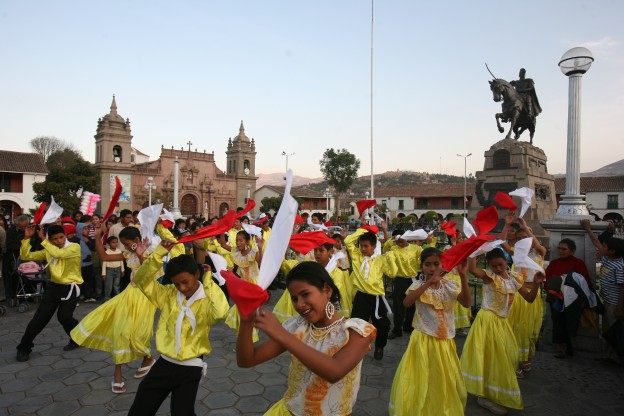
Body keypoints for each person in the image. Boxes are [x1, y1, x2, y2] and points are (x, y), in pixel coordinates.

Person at [236, 261, 376, 415]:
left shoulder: (357, 331)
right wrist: (246, 321)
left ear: (327, 290)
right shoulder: (297, 327)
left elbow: (335, 371)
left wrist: (282, 335)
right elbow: (247, 360)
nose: (300, 304)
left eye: (305, 294)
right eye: (295, 299)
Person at [73, 224, 185, 394]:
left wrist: (140, 255)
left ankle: (147, 358)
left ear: (137, 240)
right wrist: (97, 236)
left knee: (138, 333)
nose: (124, 247)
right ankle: (119, 374)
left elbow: (148, 275)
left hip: (146, 298)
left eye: (126, 243)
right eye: (123, 244)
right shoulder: (127, 254)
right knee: (120, 330)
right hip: (128, 296)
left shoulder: (152, 254)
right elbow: (103, 256)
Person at [127, 242, 229, 415]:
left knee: (182, 412)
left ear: (196, 274)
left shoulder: (207, 298)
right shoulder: (167, 294)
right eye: (176, 284)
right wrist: (158, 253)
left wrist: (208, 280)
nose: (182, 288)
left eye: (185, 282)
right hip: (165, 363)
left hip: (190, 366)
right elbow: (140, 280)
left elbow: (220, 313)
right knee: (140, 409)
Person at [462, 249, 545, 414]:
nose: (498, 268)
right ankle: (484, 395)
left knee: (508, 357)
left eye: (500, 264)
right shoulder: (489, 277)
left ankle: (493, 390)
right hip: (487, 320)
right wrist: (475, 250)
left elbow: (529, 299)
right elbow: (473, 270)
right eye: (494, 266)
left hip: (502, 322)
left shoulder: (514, 278)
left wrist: (536, 283)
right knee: (491, 358)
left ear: (507, 262)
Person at [389, 248, 470, 415]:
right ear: (421, 267)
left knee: (442, 378)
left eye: (436, 264)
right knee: (421, 377)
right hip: (423, 339)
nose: (432, 268)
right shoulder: (418, 285)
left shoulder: (449, 285)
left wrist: (463, 275)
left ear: (442, 265)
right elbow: (407, 303)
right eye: (427, 265)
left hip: (445, 340)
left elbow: (467, 303)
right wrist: (428, 282)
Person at [16, 224, 83, 361]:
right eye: (55, 239)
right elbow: (25, 255)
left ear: (65, 236)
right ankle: (24, 348)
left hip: (71, 287)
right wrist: (27, 238)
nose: (59, 241)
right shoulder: (49, 250)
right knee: (39, 320)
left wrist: (43, 240)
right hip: (53, 288)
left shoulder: (74, 247)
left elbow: (59, 254)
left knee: (64, 317)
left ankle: (77, 338)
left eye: (61, 237)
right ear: (50, 239)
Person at [344, 221, 395, 360]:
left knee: (384, 326)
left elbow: (392, 273)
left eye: (366, 246)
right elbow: (348, 241)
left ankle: (380, 346)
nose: (363, 249)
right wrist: (363, 230)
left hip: (377, 298)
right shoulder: (357, 257)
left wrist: (390, 257)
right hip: (361, 296)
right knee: (356, 325)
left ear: (374, 246)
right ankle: (355, 348)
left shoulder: (380, 260)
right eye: (361, 246)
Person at [504, 216, 547, 376]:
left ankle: (525, 357)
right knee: (516, 328)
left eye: (525, 238)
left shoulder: (539, 253)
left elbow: (535, 243)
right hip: (517, 295)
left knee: (530, 329)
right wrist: (507, 225)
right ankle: (514, 361)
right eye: (519, 239)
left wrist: (526, 228)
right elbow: (502, 241)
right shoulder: (516, 253)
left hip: (532, 296)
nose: (523, 241)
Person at [581, 219, 624, 363]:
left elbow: (622, 287)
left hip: (615, 304)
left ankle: (616, 357)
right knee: (607, 328)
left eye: (605, 246)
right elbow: (596, 243)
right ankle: (609, 356)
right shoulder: (607, 259)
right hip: (607, 301)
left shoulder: (619, 266)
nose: (602, 247)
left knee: (614, 331)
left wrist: (620, 307)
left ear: (612, 251)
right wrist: (587, 229)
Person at [545, 238, 592, 358]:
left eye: (564, 249)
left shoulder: (578, 263)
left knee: (569, 322)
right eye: (559, 248)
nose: (560, 251)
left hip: (572, 299)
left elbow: (584, 281)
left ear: (572, 251)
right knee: (557, 321)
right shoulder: (554, 263)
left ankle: (568, 345)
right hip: (556, 297)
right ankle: (561, 347)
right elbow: (547, 279)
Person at [385, 233, 423, 339]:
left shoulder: (416, 248)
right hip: (400, 280)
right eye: (398, 242)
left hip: (413, 280)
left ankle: (409, 326)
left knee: (412, 305)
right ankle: (397, 329)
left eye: (402, 240)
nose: (400, 243)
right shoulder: (394, 249)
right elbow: (385, 250)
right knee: (398, 305)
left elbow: (424, 257)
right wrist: (390, 242)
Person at [101, 236, 125, 301]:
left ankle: (117, 299)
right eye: (113, 242)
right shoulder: (107, 252)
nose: (115, 244)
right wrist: (104, 273)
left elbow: (121, 261)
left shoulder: (119, 251)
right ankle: (107, 299)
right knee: (108, 286)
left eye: (116, 242)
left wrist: (122, 270)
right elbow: (104, 263)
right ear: (109, 243)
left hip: (118, 269)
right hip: (109, 270)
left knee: (116, 285)